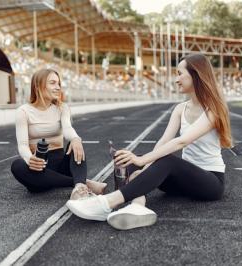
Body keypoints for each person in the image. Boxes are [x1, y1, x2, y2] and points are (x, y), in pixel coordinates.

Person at [66, 54, 232, 230]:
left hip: (210, 183)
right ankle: (138, 206)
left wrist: (143, 161)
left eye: (179, 73)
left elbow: (181, 142)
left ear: (196, 75)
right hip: (182, 183)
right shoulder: (180, 109)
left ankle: (106, 203)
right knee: (128, 161)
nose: (176, 79)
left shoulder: (213, 109)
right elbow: (162, 142)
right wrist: (143, 167)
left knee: (165, 160)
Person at [10, 68, 106, 199]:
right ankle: (82, 183)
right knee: (17, 166)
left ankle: (79, 188)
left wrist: (76, 139)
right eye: (53, 83)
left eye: (59, 84)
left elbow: (67, 129)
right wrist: (30, 159)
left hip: (61, 165)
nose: (58, 87)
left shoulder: (62, 108)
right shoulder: (23, 111)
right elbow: (22, 145)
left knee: (75, 145)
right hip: (39, 169)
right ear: (38, 86)